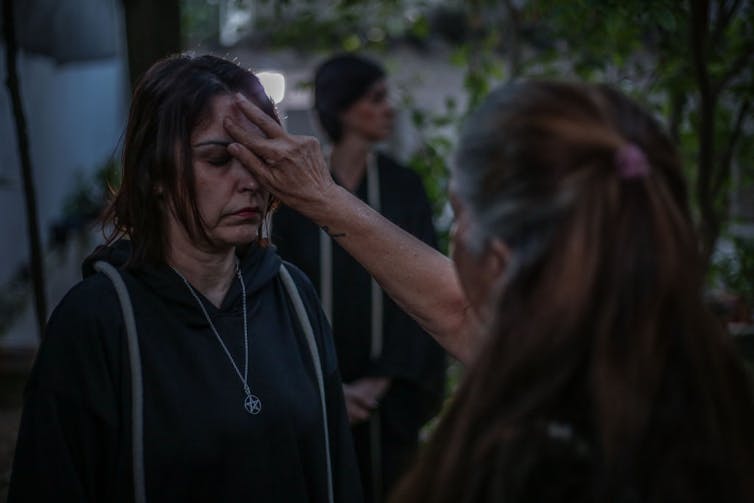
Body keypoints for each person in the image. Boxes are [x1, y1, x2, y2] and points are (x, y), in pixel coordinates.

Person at [224, 80, 754, 501]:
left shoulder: (534, 456)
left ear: (496, 260)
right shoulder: (686, 369)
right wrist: (324, 197)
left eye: (457, 215)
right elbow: (458, 310)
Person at [8, 54, 362, 503]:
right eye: (218, 159)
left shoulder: (292, 295)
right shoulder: (98, 321)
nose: (249, 180)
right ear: (155, 171)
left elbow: (338, 473)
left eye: (258, 158)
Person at [272, 53, 446, 503]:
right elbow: (280, 292)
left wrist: (380, 381)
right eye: (376, 97)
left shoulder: (404, 186)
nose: (389, 108)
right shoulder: (297, 197)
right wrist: (328, 388)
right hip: (313, 391)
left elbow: (426, 281)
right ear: (344, 107)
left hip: (388, 402)